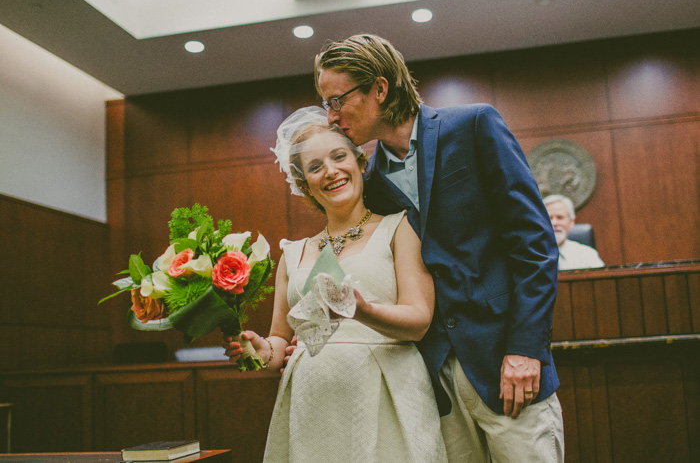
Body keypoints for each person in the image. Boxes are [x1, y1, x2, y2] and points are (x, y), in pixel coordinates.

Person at [311, 34, 565, 461]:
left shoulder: (474, 125)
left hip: (506, 363)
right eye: (326, 104)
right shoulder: (369, 184)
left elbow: (535, 245)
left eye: (337, 100)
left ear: (379, 87)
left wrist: (525, 348)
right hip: (433, 382)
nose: (331, 116)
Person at [222, 107, 447, 462]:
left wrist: (363, 310)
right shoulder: (292, 253)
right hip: (312, 403)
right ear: (304, 184)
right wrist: (259, 350)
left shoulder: (399, 228)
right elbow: (281, 340)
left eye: (339, 156)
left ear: (360, 163)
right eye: (314, 167)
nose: (331, 171)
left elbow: (419, 320)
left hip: (386, 393)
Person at [544, 194, 605, 271]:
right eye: (549, 218)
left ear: (571, 222)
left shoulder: (588, 255)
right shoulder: (530, 255)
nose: (554, 223)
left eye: (560, 217)